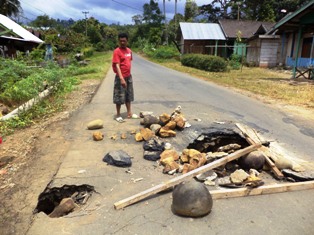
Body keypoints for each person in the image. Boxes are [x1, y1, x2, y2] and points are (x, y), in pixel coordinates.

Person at [112, 33, 137, 122]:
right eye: (121, 41)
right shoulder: (117, 51)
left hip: (128, 76)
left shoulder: (129, 51)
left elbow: (128, 62)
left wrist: (127, 76)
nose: (122, 42)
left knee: (128, 95)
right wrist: (121, 78)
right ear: (119, 41)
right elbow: (117, 65)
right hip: (120, 77)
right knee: (119, 96)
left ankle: (129, 113)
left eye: (124, 41)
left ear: (127, 41)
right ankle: (118, 114)